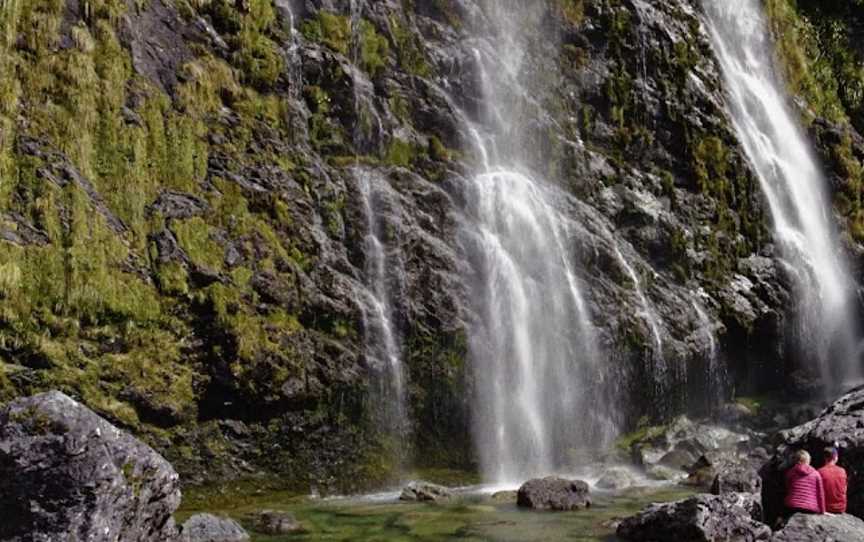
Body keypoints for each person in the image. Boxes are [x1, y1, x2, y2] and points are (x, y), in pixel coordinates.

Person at [784, 449, 825, 517]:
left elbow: (787, 487)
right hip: (810, 508)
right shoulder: (816, 474)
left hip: (793, 506)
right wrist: (822, 511)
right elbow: (820, 494)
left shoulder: (791, 472)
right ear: (809, 460)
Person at [818, 446, 847, 514]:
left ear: (825, 457)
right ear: (835, 457)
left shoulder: (820, 471)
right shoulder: (842, 471)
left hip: (825, 507)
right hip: (841, 507)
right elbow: (844, 489)